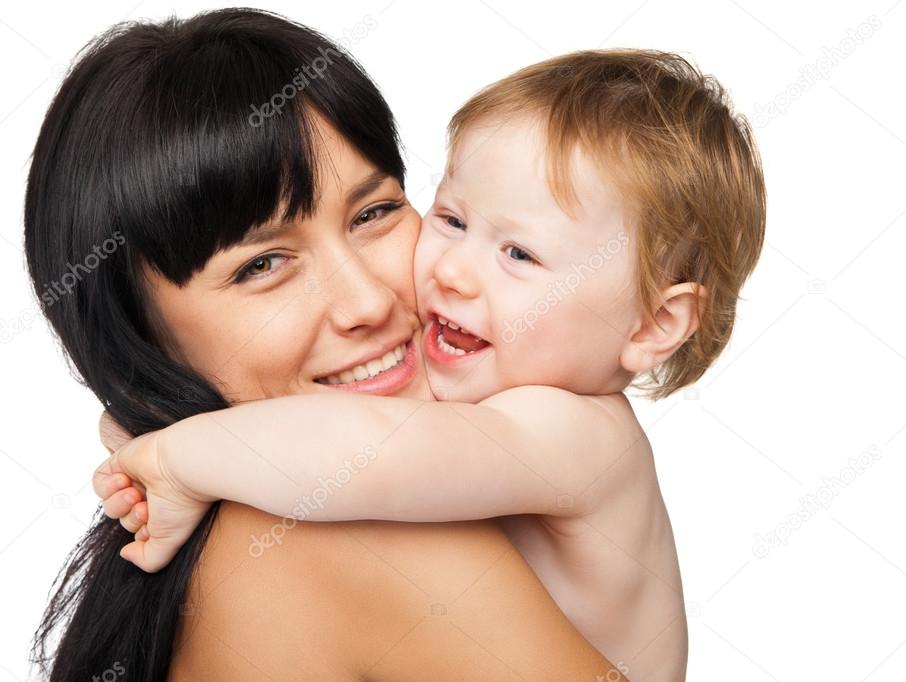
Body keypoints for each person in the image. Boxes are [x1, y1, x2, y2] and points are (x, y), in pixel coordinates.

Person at [95, 49, 766, 681]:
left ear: (654, 324)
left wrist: (174, 454)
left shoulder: (571, 431)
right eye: (450, 219)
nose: (454, 273)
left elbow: (359, 454)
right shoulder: (473, 414)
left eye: (519, 256)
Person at [24, 9, 625, 680]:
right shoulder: (347, 533)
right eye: (260, 266)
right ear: (138, 344)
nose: (367, 303)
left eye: (373, 214)